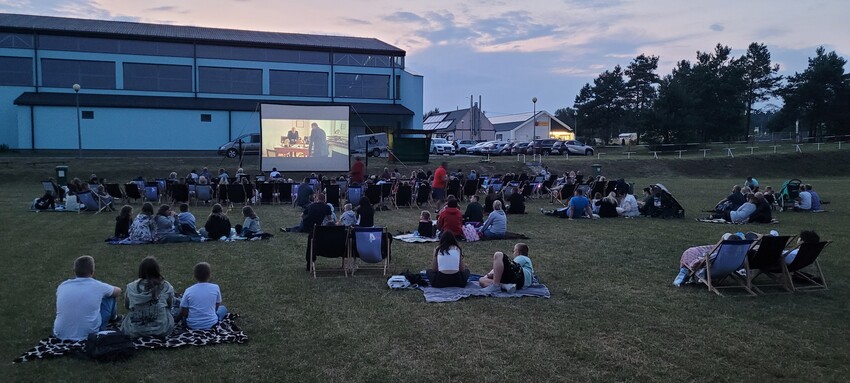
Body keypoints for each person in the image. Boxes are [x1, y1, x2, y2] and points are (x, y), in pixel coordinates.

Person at [53, 256, 122, 341]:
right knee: (110, 297)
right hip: (89, 335)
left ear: (74, 271)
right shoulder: (98, 286)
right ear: (92, 271)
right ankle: (114, 318)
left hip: (59, 334)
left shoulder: (63, 285)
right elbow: (118, 291)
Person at [121, 256, 176, 338]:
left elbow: (127, 306)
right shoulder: (166, 286)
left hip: (134, 330)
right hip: (161, 330)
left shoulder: (131, 287)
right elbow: (170, 305)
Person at [673, 233, 746, 286]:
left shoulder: (718, 255)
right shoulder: (739, 257)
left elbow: (699, 262)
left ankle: (683, 275)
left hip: (713, 271)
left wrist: (698, 261)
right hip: (729, 269)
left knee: (699, 259)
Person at [177, 262, 227, 330]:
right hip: (211, 324)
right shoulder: (215, 287)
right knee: (223, 308)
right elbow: (217, 304)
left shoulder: (188, 290)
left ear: (195, 276)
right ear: (209, 275)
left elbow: (184, 311)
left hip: (192, 325)